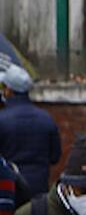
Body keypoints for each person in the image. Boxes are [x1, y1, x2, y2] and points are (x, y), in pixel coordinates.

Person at [0, 65, 61, 196]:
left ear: (9, 91)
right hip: (40, 191)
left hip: (10, 190)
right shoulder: (46, 119)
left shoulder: (2, 120)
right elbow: (55, 157)